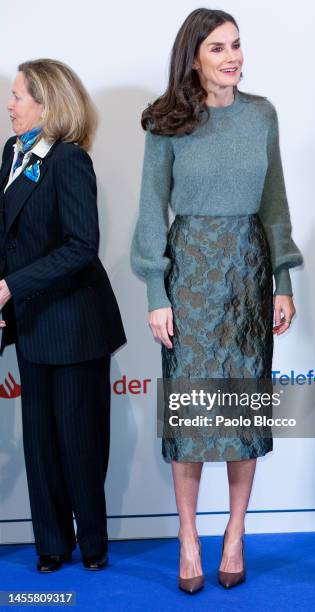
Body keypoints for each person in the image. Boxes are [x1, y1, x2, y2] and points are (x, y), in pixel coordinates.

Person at [131, 8, 302, 594]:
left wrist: (283, 280)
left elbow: (275, 202)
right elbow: (151, 210)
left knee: (243, 409)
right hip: (190, 274)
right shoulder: (165, 122)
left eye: (236, 45)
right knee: (192, 413)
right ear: (193, 56)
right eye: (217, 48)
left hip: (250, 271)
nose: (232, 57)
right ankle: (187, 536)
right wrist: (157, 291)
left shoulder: (262, 115)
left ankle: (234, 532)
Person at [0, 59, 126, 572]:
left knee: (79, 441)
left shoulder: (69, 160)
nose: (9, 105)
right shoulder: (12, 153)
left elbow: (81, 246)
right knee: (40, 445)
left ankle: (92, 543)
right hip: (30, 323)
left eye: (17, 96)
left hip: (74, 325)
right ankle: (51, 544)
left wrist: (10, 287)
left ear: (47, 105)